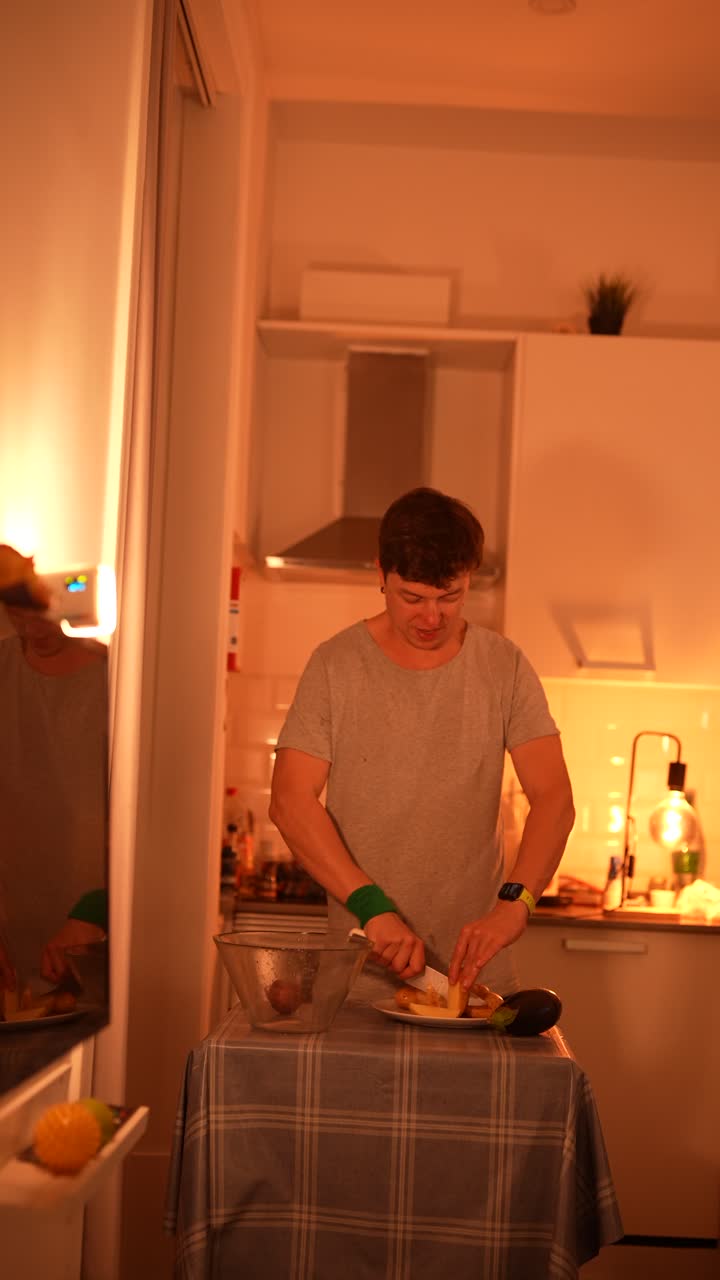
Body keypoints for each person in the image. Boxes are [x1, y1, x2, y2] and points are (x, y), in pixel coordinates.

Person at [269, 487, 574, 1000]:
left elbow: (554, 798)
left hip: (474, 984)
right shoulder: (335, 665)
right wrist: (371, 909)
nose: (432, 618)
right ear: (381, 574)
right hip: (360, 980)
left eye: (449, 596)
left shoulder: (504, 666)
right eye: (413, 598)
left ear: (468, 578)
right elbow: (290, 800)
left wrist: (515, 904)